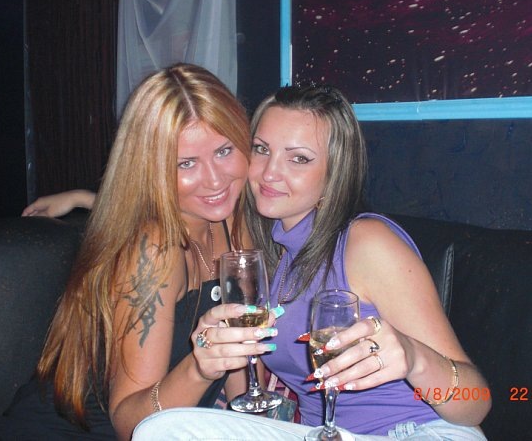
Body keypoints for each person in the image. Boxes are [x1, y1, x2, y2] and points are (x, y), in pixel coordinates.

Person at [132, 84, 491, 440]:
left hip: (416, 432)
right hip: (323, 434)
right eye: (261, 149)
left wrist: (415, 358)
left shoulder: (366, 244)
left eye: (299, 158)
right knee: (159, 431)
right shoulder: (273, 255)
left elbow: (476, 402)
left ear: (335, 171)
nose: (269, 173)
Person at [0, 63, 277, 440]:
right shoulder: (155, 249)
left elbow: (244, 384)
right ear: (151, 167)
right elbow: (130, 425)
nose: (215, 180)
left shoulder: (231, 219)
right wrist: (200, 367)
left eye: (224, 150)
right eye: (186, 163)